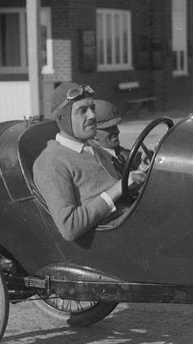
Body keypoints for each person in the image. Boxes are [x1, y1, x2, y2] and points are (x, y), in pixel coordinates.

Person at [32, 82, 145, 242]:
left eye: (92, 108)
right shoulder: (50, 162)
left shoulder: (92, 147)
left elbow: (118, 185)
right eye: (82, 111)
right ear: (63, 119)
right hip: (114, 239)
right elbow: (69, 227)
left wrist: (141, 169)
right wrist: (117, 189)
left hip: (128, 221)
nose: (92, 116)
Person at [92, 99, 152, 174]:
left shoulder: (119, 153)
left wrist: (144, 163)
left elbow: (132, 158)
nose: (117, 131)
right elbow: (119, 184)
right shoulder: (93, 162)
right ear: (92, 134)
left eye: (115, 126)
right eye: (108, 128)